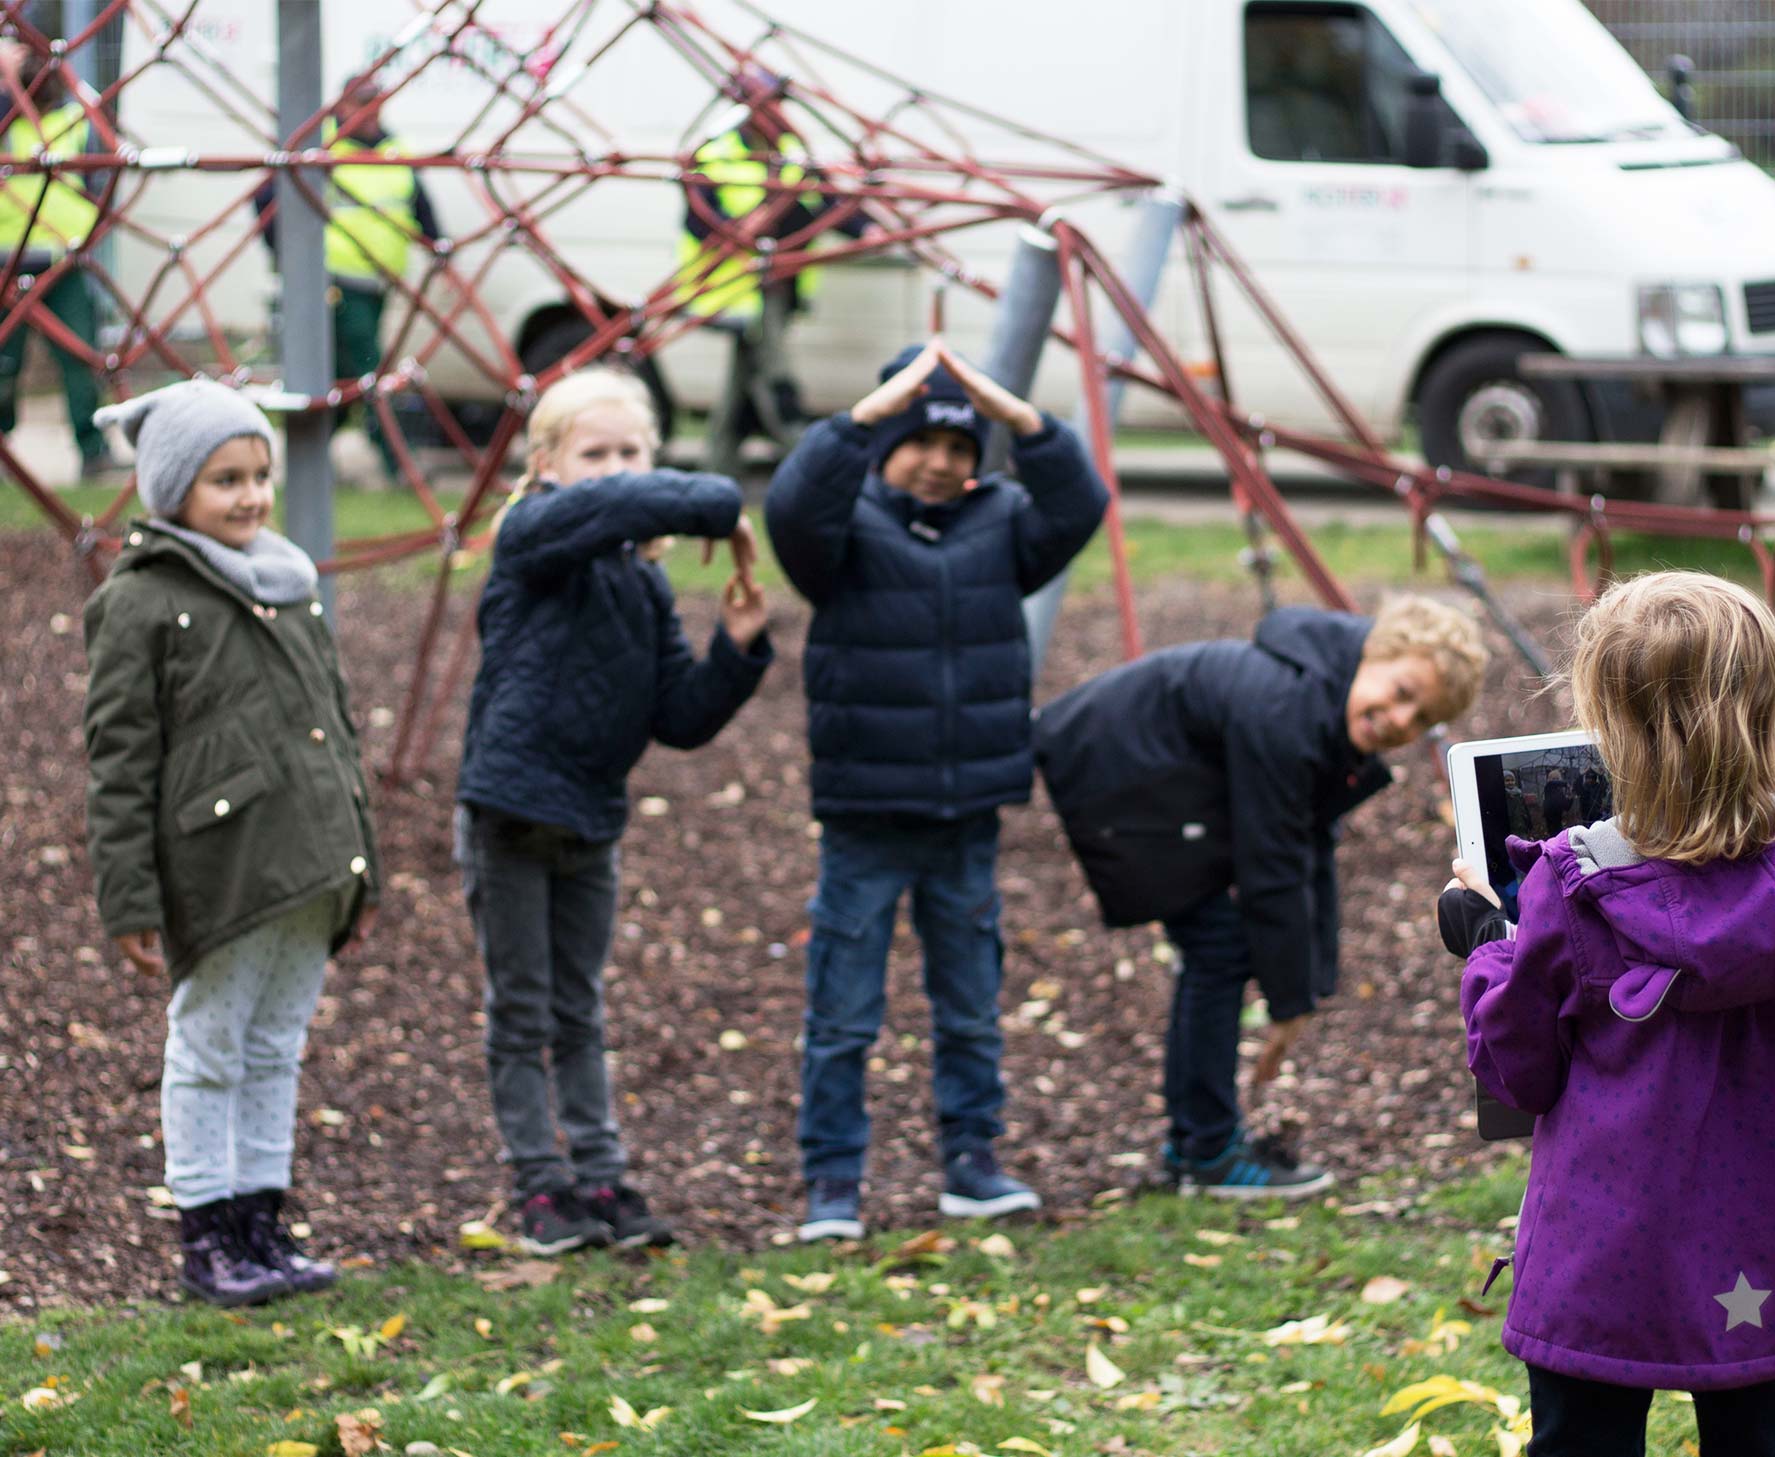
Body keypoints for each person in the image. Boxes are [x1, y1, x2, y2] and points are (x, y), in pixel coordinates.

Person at [1436, 571, 1775, 1457]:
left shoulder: (1571, 883)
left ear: (1616, 730)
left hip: (1603, 1251)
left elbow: (1516, 1067)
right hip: (1764, 1242)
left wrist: (1488, 938)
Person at [765, 339, 1108, 1242]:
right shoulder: (841, 535)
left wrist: (1021, 419)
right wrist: (865, 418)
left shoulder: (1001, 525)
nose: (942, 462)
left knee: (969, 1005)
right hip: (865, 818)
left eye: (961, 448)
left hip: (966, 816)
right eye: (922, 442)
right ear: (884, 446)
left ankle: (972, 1161)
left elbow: (1081, 502)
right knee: (842, 1011)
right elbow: (793, 505)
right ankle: (833, 1179)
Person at [456, 367, 771, 1255]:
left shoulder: (645, 586)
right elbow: (614, 509)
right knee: (521, 1009)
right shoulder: (531, 537)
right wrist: (714, 504)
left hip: (590, 818)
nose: (618, 469)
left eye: (633, 450)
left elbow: (680, 717)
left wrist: (737, 652)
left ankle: (600, 1173)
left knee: (579, 1007)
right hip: (510, 811)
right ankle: (539, 1185)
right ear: (546, 465)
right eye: (595, 453)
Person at [81, 380, 380, 1306]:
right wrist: (127, 897)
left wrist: (355, 861)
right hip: (223, 869)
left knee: (275, 1046)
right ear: (170, 491)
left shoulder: (287, 582)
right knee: (208, 1046)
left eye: (259, 475)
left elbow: (333, 728)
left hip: (310, 867)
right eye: (224, 480)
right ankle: (207, 1235)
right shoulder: (140, 603)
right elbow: (119, 763)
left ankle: (262, 1224)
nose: (251, 496)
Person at [1035, 597, 1486, 1197]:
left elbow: (1310, 848)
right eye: (1402, 690)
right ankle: (1206, 1152)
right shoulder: (1286, 709)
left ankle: (1196, 1145)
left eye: (1420, 716)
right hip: (1117, 766)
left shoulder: (1321, 702)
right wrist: (1287, 1005)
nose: (1400, 719)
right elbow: (1271, 868)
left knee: (1218, 945)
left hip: (1159, 773)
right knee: (1220, 946)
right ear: (1375, 653)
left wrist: (1308, 987)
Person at [675, 67, 871, 476]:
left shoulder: (791, 154)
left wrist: (866, 228)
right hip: (736, 288)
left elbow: (830, 202)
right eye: (766, 104)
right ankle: (810, 462)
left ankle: (718, 465)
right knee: (775, 379)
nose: (775, 113)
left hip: (777, 289)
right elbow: (699, 219)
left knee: (742, 381)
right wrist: (735, 230)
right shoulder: (716, 153)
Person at [253, 72, 441, 482]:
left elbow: (418, 204)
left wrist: (437, 243)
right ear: (342, 105)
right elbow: (266, 200)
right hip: (334, 279)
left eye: (375, 101)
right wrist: (288, 258)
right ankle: (397, 461)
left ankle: (310, 452)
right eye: (361, 102)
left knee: (343, 369)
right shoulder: (321, 148)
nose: (370, 110)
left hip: (376, 282)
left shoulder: (394, 150)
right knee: (370, 365)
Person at [0, 39, 111, 477]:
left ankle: (93, 449)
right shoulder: (8, 120)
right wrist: (8, 78)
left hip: (64, 261)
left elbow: (105, 172)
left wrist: (94, 228)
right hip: (9, 260)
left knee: (80, 357)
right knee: (5, 363)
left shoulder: (75, 120)